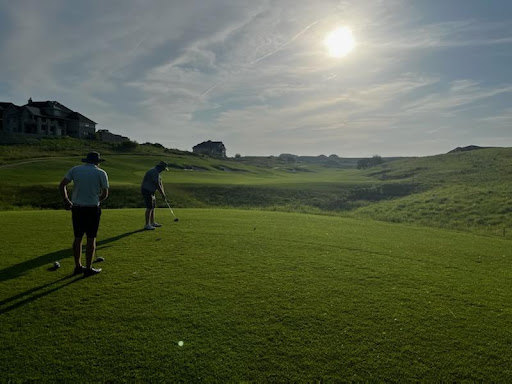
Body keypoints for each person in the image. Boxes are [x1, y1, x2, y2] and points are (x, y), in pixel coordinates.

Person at [59, 152, 109, 277]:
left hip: (77, 208)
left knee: (78, 238)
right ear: (97, 162)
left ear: (86, 160)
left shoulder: (75, 170)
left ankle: (78, 266)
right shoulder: (101, 173)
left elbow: (62, 185)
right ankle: (88, 268)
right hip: (92, 209)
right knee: (91, 238)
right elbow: (105, 194)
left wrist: (66, 200)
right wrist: (97, 200)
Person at [141, 161, 168, 230]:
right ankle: (147, 225)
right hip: (147, 190)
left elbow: (160, 183)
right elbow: (157, 184)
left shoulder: (158, 173)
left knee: (153, 207)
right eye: (163, 169)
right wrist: (162, 194)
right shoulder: (154, 172)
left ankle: (152, 222)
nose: (163, 170)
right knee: (149, 207)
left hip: (151, 191)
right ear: (161, 167)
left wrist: (163, 194)